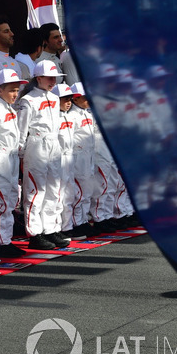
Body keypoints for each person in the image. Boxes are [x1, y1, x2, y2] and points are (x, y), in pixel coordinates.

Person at [17, 60, 69, 250]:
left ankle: (51, 228)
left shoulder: (55, 99)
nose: (52, 81)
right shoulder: (27, 100)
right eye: (48, 77)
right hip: (37, 144)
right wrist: (20, 155)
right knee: (35, 191)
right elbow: (22, 130)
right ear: (38, 78)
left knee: (54, 189)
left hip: (53, 144)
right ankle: (35, 233)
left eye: (54, 77)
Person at [0, 69, 28, 258]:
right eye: (11, 90)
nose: (15, 94)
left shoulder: (11, 109)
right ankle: (0, 242)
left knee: (11, 200)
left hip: (11, 157)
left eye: (17, 90)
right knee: (0, 201)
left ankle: (6, 239)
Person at [65, 82, 98, 239]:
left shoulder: (87, 113)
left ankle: (84, 220)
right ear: (75, 99)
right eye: (84, 97)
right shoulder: (71, 116)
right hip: (77, 157)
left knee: (87, 190)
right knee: (78, 191)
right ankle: (76, 222)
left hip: (88, 155)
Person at [52, 83, 77, 237]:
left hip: (70, 158)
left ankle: (67, 226)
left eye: (70, 99)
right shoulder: (53, 118)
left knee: (69, 193)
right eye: (64, 99)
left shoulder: (71, 116)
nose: (68, 102)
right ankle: (56, 227)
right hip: (57, 159)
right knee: (57, 195)